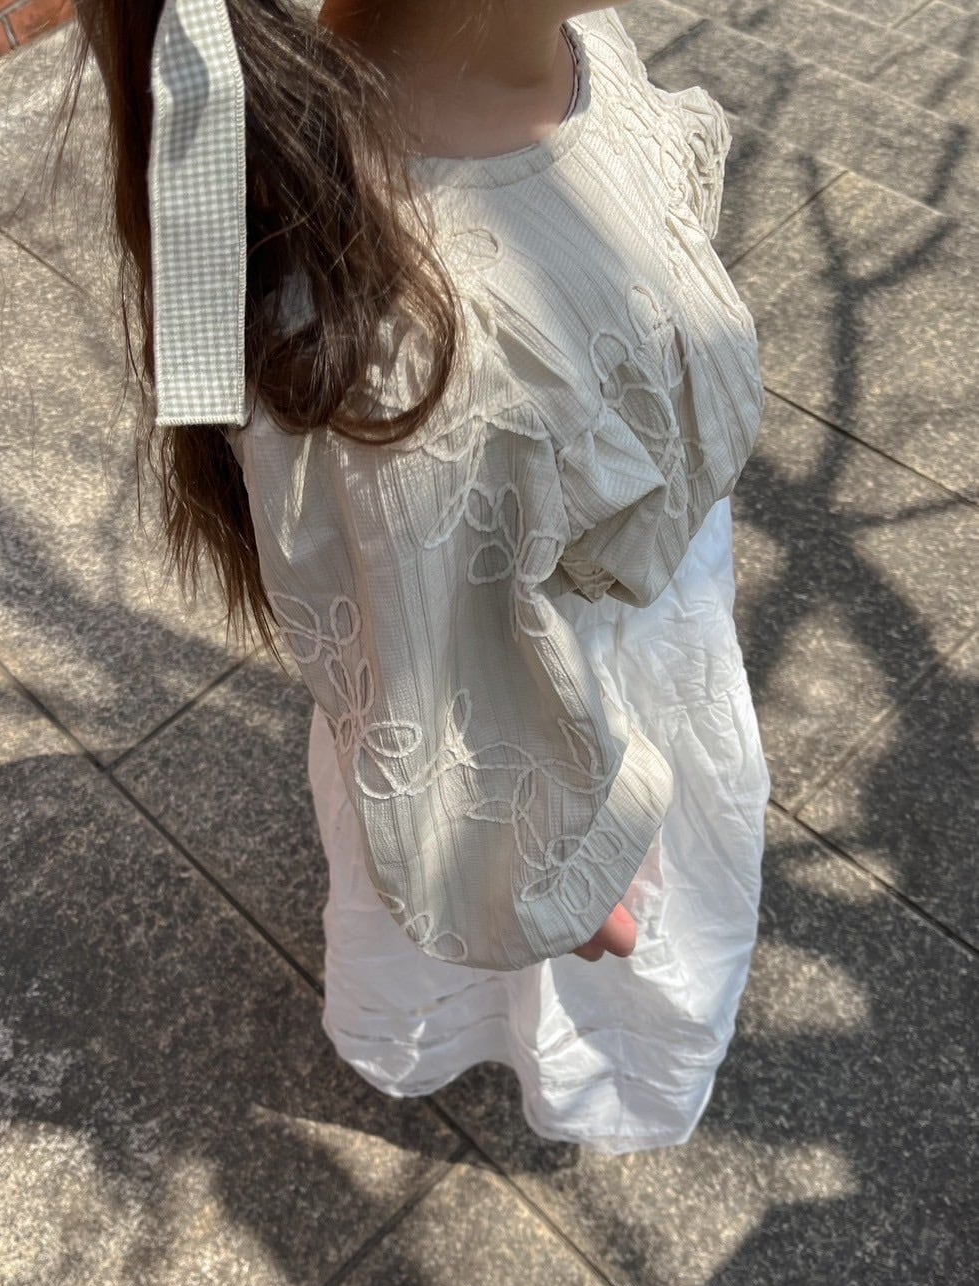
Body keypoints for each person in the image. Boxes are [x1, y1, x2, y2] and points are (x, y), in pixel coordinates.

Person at [62, 0, 771, 1154]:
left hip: (632, 633)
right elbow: (443, 687)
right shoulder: (405, 332)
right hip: (556, 713)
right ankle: (554, 1062)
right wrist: (539, 866)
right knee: (566, 979)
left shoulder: (575, 47)